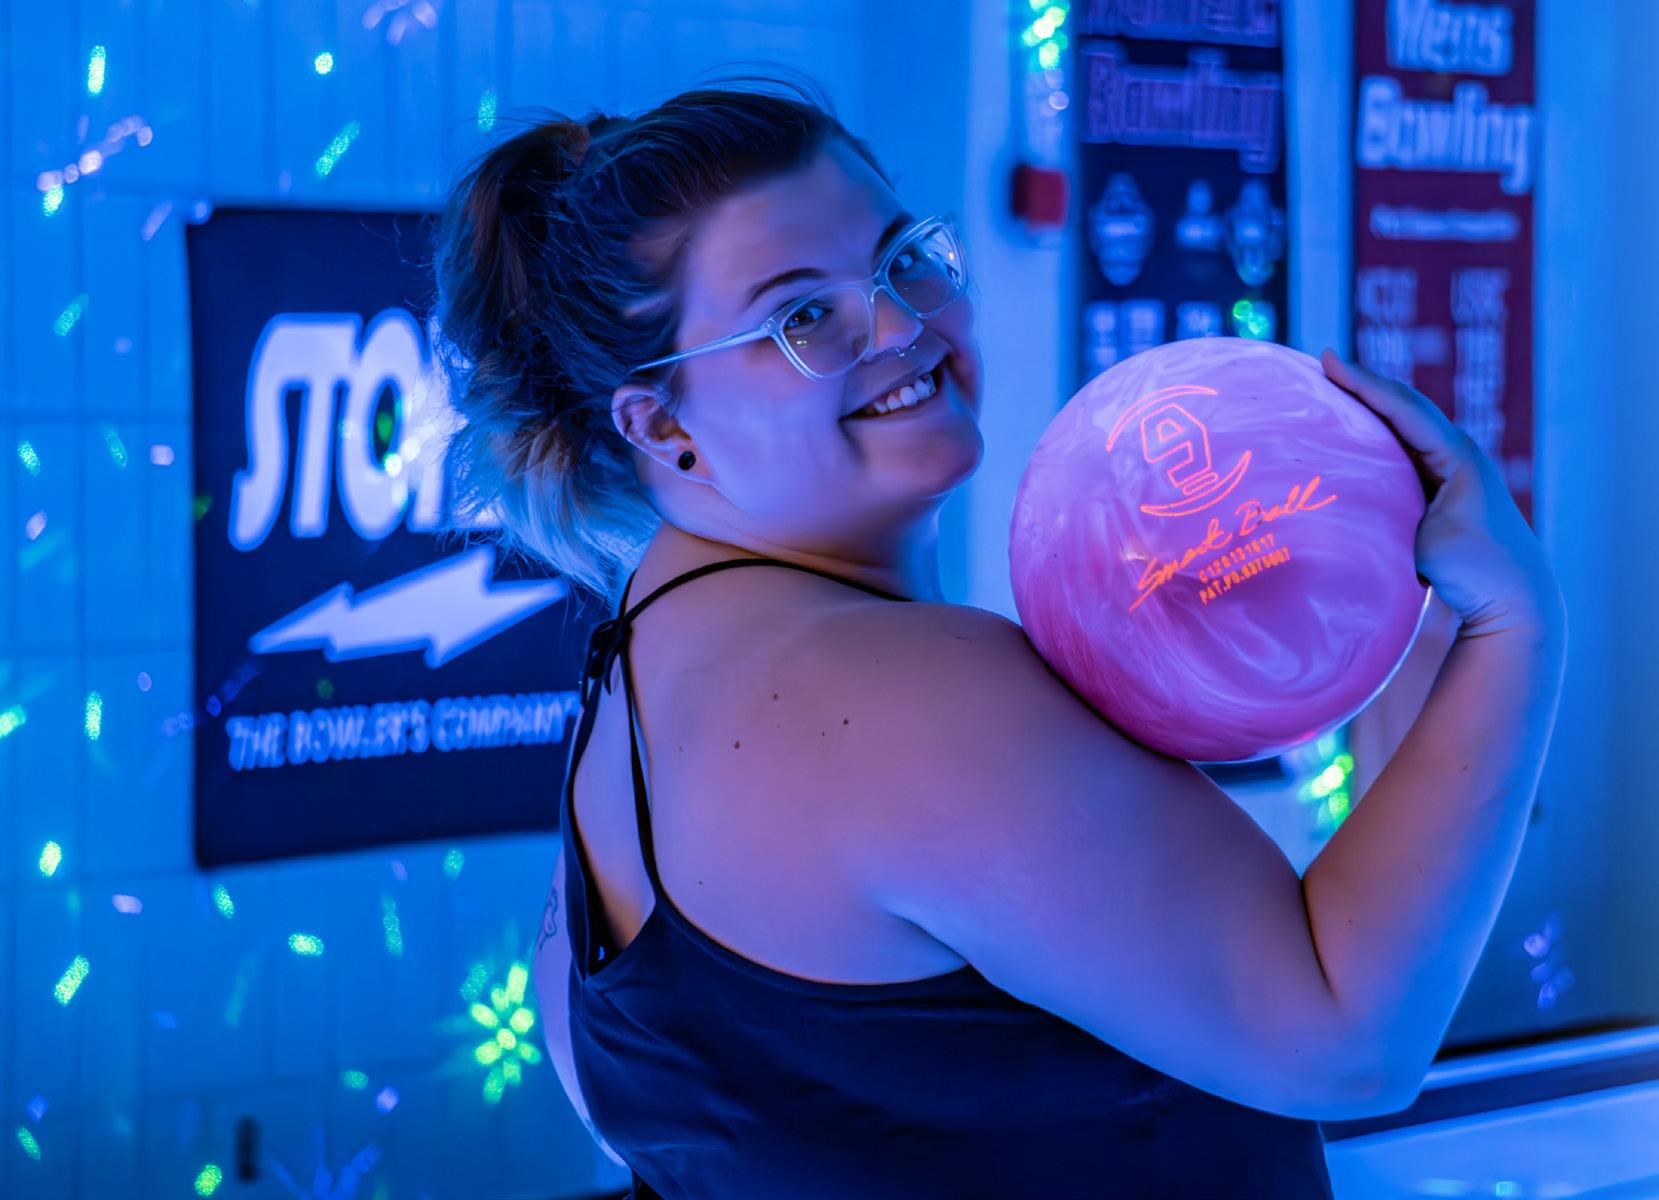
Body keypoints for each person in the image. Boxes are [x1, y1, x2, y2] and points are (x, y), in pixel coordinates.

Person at [426, 75, 1567, 1200]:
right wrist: (1515, 621)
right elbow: (1344, 1035)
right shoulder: (894, 690)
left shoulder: (629, 696)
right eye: (801, 315)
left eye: (902, 260)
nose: (901, 325)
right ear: (661, 423)